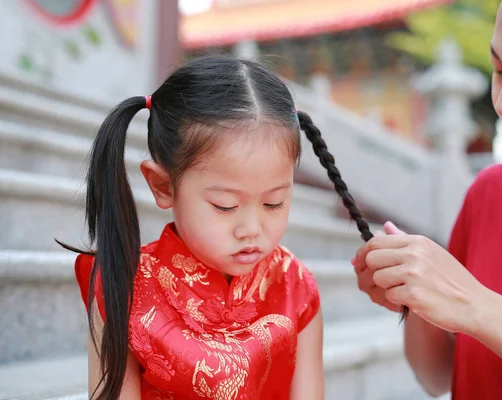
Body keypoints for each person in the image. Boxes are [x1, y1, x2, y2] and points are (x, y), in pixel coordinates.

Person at [61, 55, 374, 399]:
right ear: (163, 185)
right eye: (225, 205)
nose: (252, 228)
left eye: (274, 203)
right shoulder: (123, 282)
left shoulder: (294, 285)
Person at [352, 0, 502, 399]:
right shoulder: (491, 194)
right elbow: (440, 376)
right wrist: (419, 298)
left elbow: (475, 310)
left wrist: (476, 306)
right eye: (500, 71)